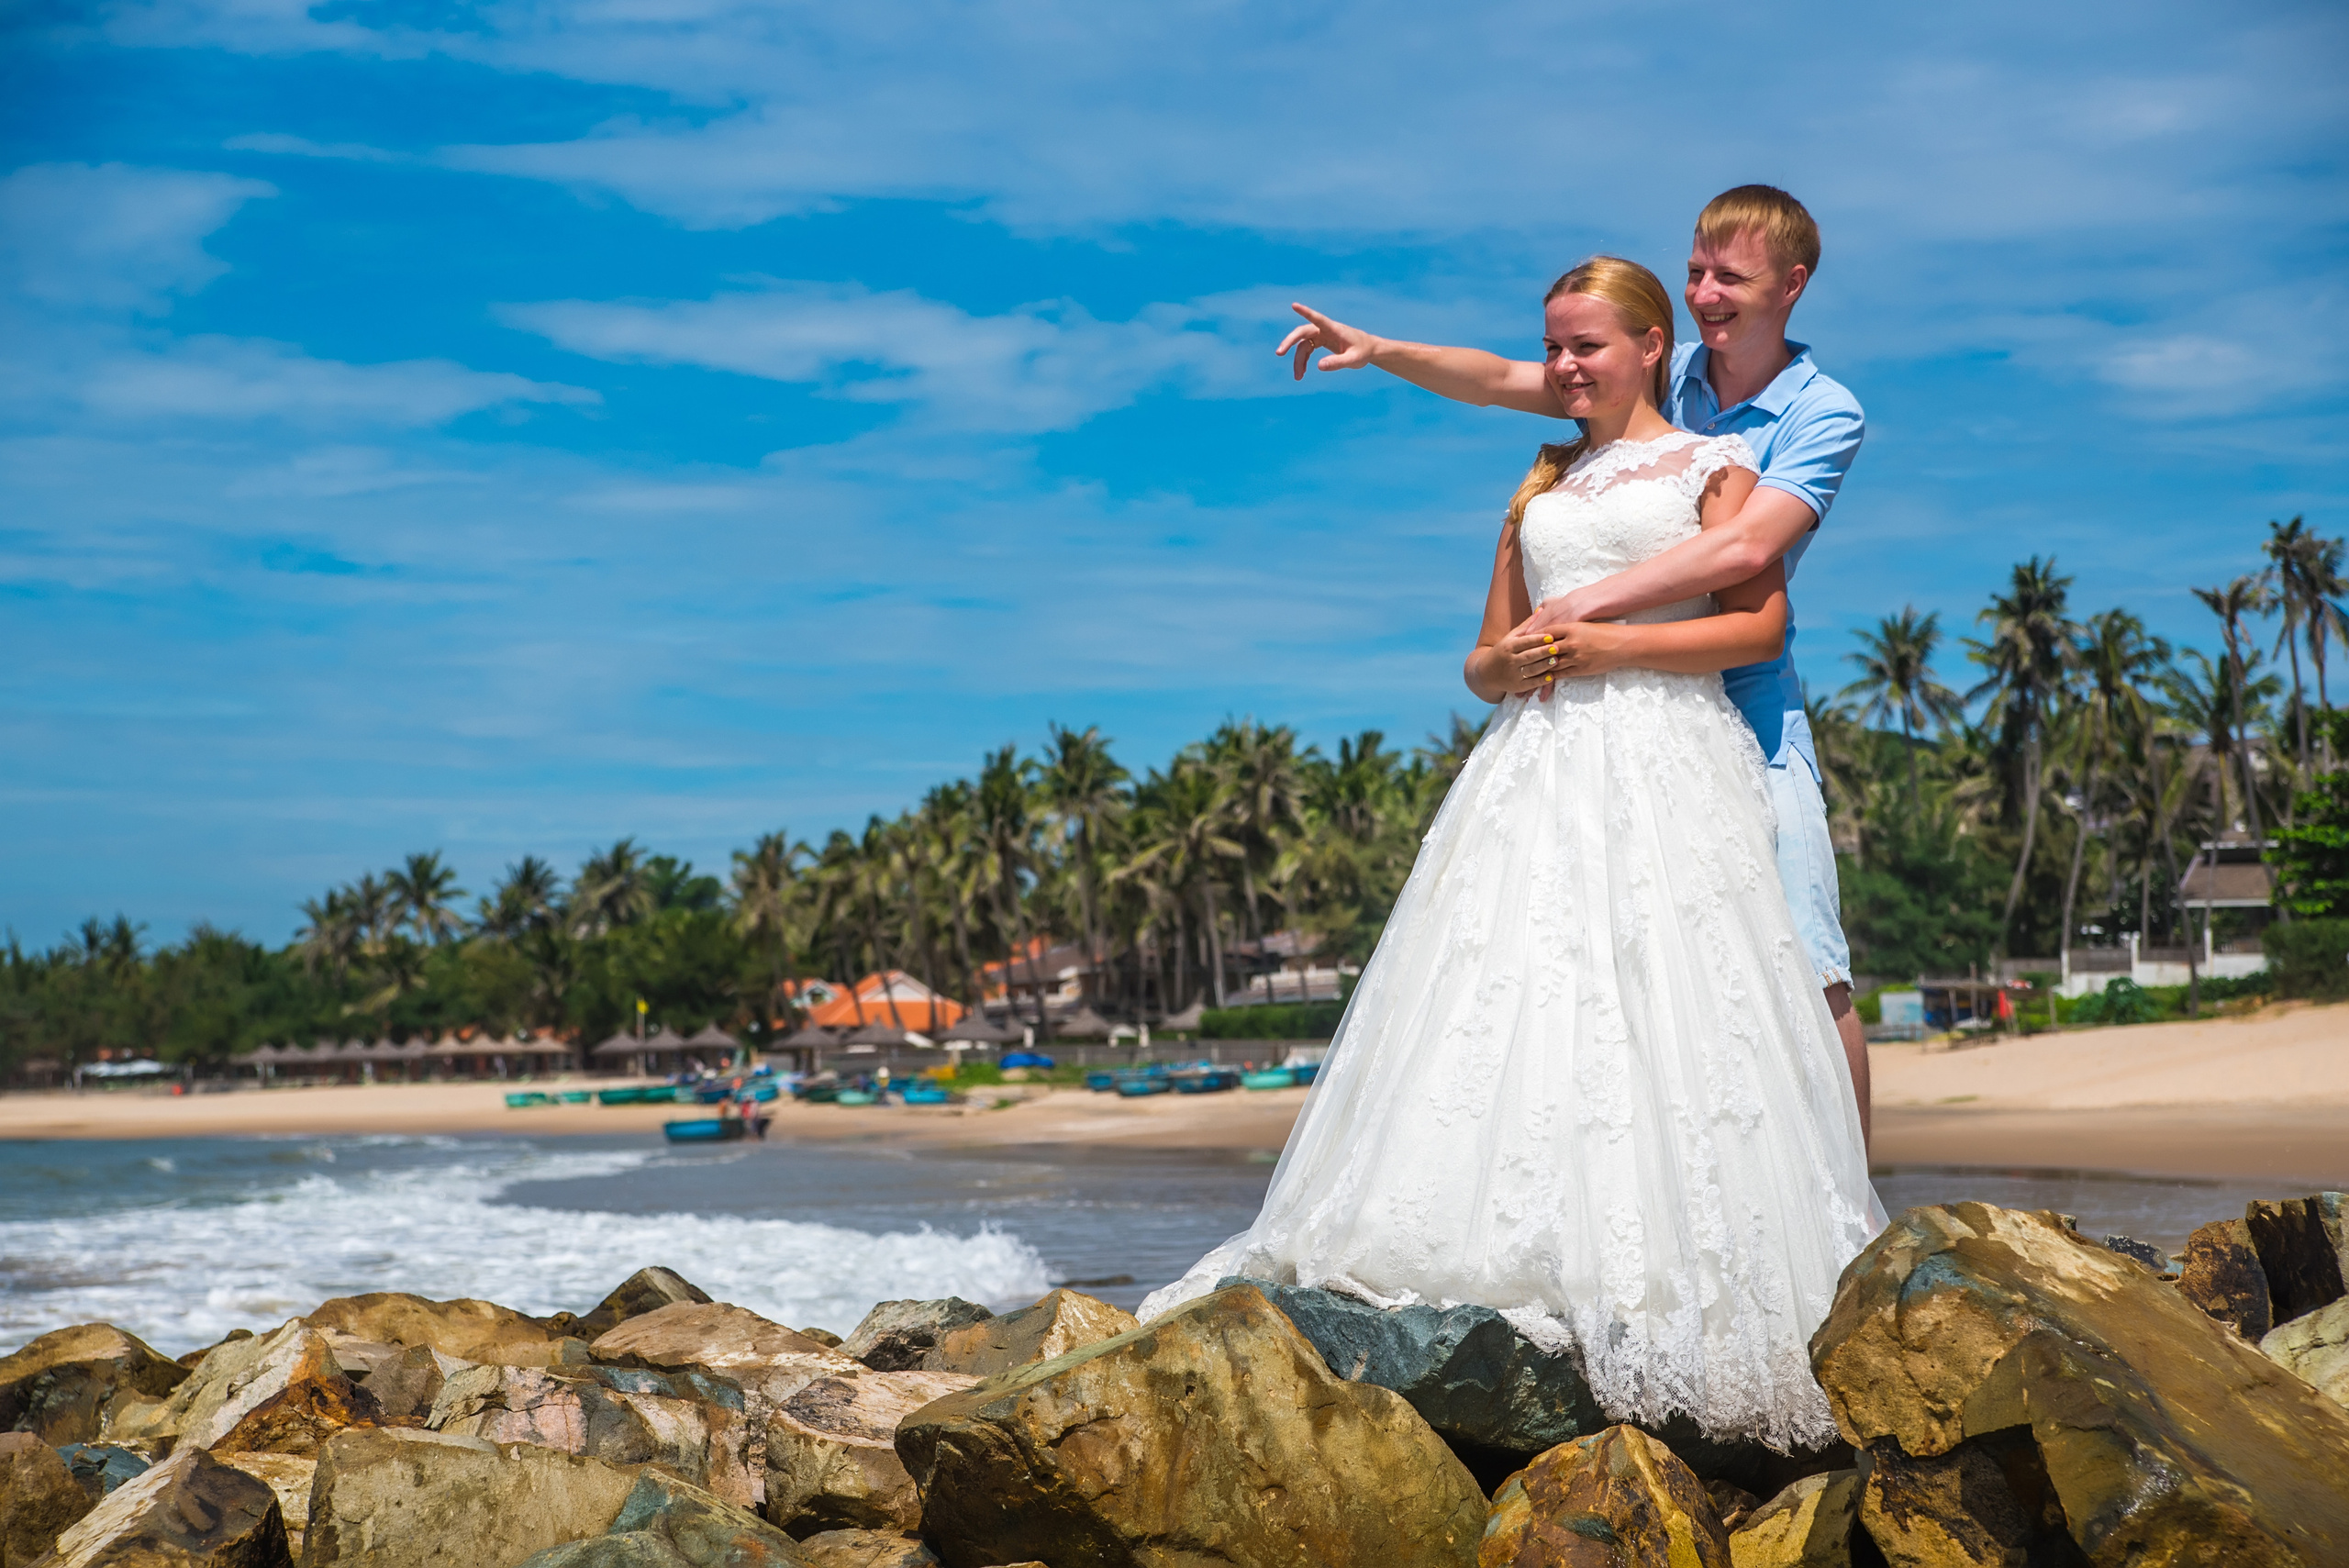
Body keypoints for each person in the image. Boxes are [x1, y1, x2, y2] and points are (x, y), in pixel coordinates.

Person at [1139, 257, 1881, 1452]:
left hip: (1666, 752)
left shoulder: (1712, 463)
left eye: (1591, 346)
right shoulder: (1538, 485)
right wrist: (1520, 665)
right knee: (1520, 984)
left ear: (1651, 349)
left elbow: (1758, 622)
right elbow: (1483, 662)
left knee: (1672, 993)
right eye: (1560, 348)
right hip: (1531, 761)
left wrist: (1610, 651)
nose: (1570, 367)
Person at [1275, 186, 1871, 1150]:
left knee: (1802, 957)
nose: (1706, 292)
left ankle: (1851, 1193)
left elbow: (1741, 557)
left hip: (1741, 700)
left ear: (1790, 285)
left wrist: (1593, 608)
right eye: (1694, 272)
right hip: (1575, 708)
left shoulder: (1819, 411)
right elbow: (1497, 377)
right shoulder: (1653, 375)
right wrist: (1381, 351)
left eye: (1731, 276)